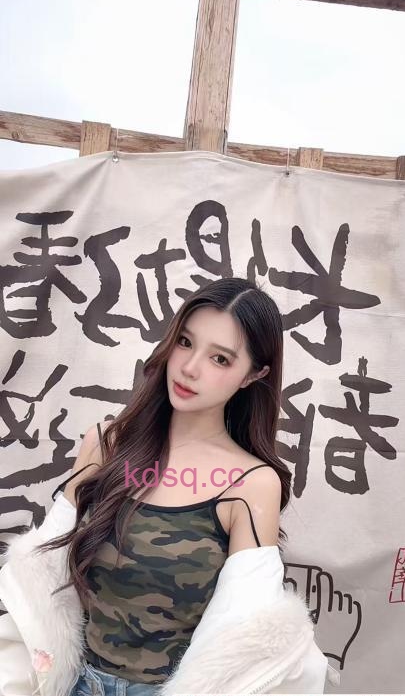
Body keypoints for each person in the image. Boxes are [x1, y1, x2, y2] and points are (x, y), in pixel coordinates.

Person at [0, 277, 340, 696]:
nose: (190, 367)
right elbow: (41, 581)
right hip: (75, 684)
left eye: (220, 359)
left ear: (254, 375)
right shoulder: (105, 445)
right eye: (185, 342)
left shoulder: (252, 484)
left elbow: (243, 629)